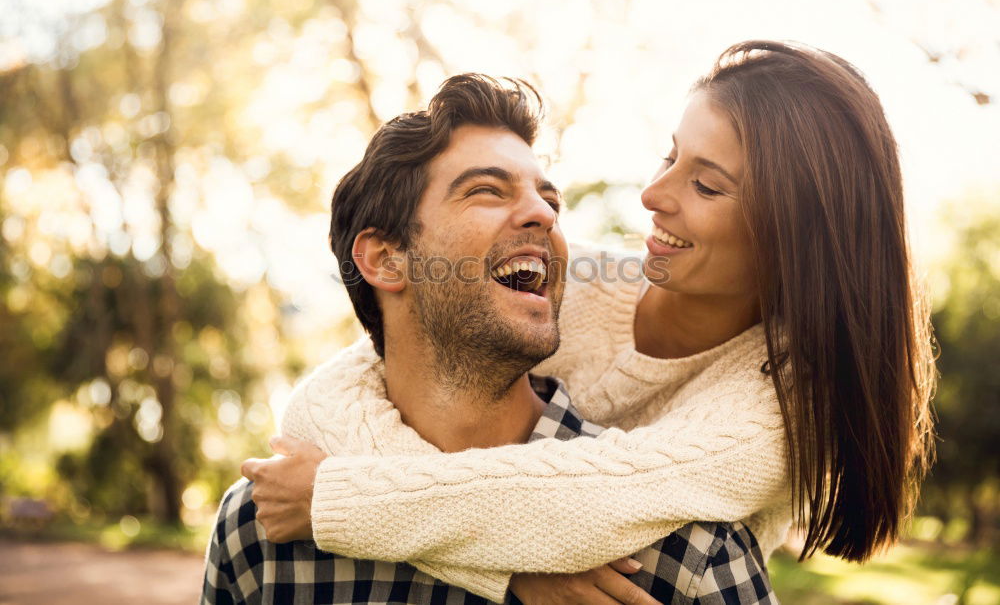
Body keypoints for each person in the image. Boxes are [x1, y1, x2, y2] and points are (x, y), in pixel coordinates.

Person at [244, 41, 936, 604]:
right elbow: (344, 385)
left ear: (791, 239)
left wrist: (337, 501)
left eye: (706, 184)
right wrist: (506, 568)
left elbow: (590, 506)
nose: (652, 194)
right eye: (671, 156)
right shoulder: (566, 285)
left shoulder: (775, 408)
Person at [204, 73, 775, 604]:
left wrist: (339, 503)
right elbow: (331, 388)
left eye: (551, 201)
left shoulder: (687, 558)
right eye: (487, 191)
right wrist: (504, 567)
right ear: (385, 259)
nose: (545, 216)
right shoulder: (261, 532)